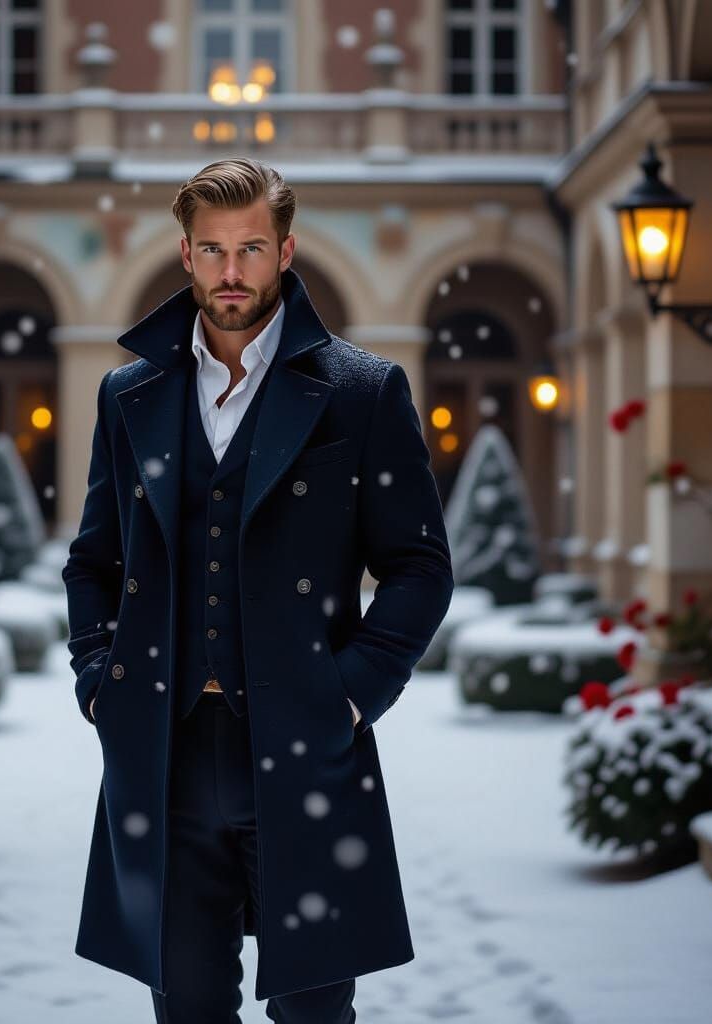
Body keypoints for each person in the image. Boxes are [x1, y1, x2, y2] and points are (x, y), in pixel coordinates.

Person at [63, 157, 453, 1022]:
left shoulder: (361, 391)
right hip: (164, 755)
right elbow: (93, 561)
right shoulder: (131, 394)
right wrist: (99, 683)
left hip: (306, 746)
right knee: (187, 1012)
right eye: (212, 250)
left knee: (315, 1012)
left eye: (249, 249)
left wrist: (351, 696)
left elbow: (421, 567)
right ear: (185, 255)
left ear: (285, 251)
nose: (230, 271)